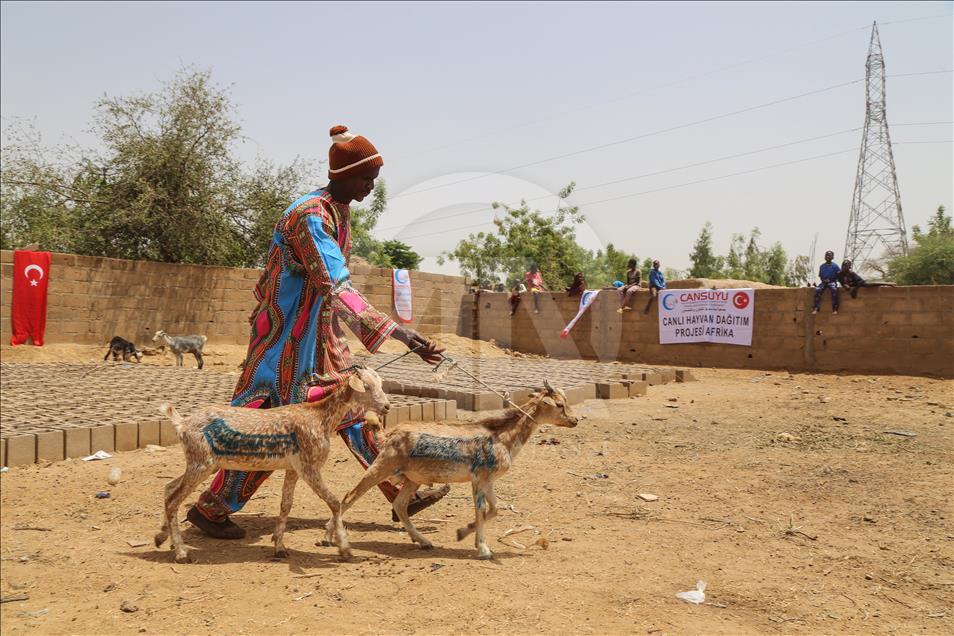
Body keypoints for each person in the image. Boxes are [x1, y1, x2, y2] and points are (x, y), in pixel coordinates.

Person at [186, 125, 448, 540]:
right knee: (280, 425)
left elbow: (330, 291)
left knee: (353, 405)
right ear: (343, 175)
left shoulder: (337, 212)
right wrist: (400, 334)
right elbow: (336, 285)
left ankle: (399, 490)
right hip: (286, 341)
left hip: (319, 334)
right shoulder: (310, 216)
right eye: (366, 180)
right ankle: (213, 506)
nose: (369, 189)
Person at [812, 250, 841, 315]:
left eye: (829, 255)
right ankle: (816, 308)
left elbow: (839, 275)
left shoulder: (835, 266)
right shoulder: (822, 266)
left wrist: (834, 280)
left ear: (832, 257)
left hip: (832, 282)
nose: (827, 256)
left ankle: (835, 309)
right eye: (826, 255)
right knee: (817, 290)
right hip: (824, 282)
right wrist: (824, 280)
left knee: (834, 290)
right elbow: (820, 275)